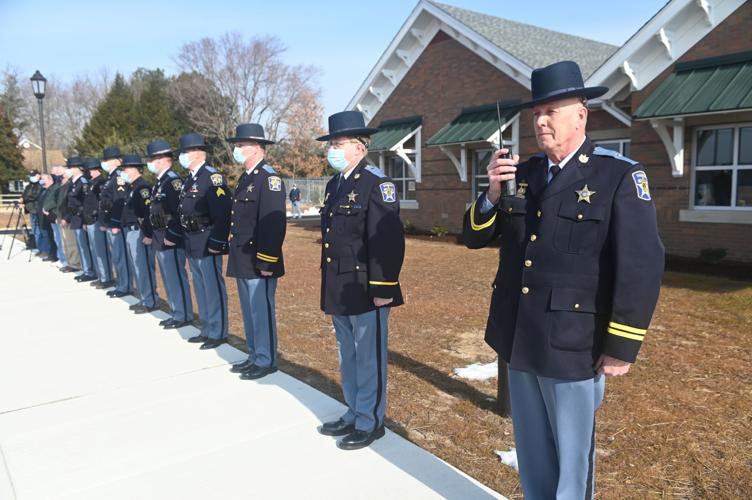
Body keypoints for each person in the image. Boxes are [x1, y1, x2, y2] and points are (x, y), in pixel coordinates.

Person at [462, 60, 665, 500]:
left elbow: (641, 266)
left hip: (573, 343)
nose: (540, 121)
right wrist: (493, 194)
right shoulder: (524, 174)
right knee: (533, 454)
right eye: (536, 113)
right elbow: (474, 237)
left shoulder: (618, 176)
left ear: (581, 115)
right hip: (519, 335)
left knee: (572, 464)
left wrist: (621, 345)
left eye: (552, 110)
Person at [315, 111, 405, 450]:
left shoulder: (376, 183)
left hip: (368, 287)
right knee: (347, 356)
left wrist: (383, 288)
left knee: (369, 357)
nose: (332, 150)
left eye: (337, 144)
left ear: (359, 146)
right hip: (339, 284)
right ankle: (354, 411)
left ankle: (371, 421)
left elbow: (388, 240)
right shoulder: (334, 183)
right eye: (331, 144)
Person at [225, 123, 286, 380]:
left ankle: (266, 359)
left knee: (261, 310)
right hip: (242, 256)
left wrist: (266, 260)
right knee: (250, 311)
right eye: (236, 145)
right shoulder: (246, 177)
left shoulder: (268, 179)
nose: (237, 150)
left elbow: (273, 224)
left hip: (259, 259)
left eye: (241, 145)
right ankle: (254, 355)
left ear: (258, 148)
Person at [176, 132, 231, 350]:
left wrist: (217, 241)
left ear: (198, 153)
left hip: (208, 240)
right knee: (200, 287)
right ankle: (207, 328)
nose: (183, 156)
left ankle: (218, 332)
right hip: (192, 241)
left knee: (213, 287)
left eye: (185, 152)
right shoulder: (190, 179)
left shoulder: (211, 177)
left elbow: (223, 212)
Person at [144, 139, 194, 329]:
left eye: (153, 159)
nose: (151, 163)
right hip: (160, 236)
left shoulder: (172, 182)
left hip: (170, 238)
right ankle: (177, 311)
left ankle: (183, 314)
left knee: (175, 278)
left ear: (163, 159)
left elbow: (178, 212)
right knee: (168, 278)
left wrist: (172, 235)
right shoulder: (160, 182)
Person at [119, 154, 159, 314]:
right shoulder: (132, 188)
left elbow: (148, 213)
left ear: (136, 170)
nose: (124, 172)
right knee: (137, 267)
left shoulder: (142, 188)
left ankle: (150, 300)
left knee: (143, 268)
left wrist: (148, 234)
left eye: (127, 168)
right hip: (131, 231)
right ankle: (144, 298)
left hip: (140, 231)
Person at [99, 146, 135, 299]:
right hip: (111, 222)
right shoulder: (111, 177)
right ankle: (122, 284)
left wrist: (115, 223)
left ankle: (125, 286)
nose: (104, 162)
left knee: (121, 256)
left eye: (107, 160)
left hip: (118, 224)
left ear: (115, 161)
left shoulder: (119, 177)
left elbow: (120, 202)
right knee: (117, 256)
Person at [82, 157, 114, 289]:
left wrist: (97, 215)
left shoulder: (101, 182)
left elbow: (102, 202)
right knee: (95, 249)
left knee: (101, 250)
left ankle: (106, 277)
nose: (89, 172)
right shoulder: (91, 182)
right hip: (89, 219)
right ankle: (101, 276)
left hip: (96, 219)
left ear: (95, 170)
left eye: (90, 169)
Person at [65, 156, 97, 282]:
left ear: (79, 168)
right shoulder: (74, 182)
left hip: (80, 217)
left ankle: (89, 271)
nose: (70, 169)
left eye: (72, 167)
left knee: (85, 246)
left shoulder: (82, 182)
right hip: (75, 217)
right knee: (81, 246)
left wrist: (84, 219)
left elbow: (85, 203)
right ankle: (86, 269)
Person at [43, 166, 68, 268]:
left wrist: (47, 208)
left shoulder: (59, 186)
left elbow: (55, 200)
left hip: (57, 214)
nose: (56, 174)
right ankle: (61, 257)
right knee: (57, 238)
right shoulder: (57, 185)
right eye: (55, 172)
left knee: (62, 239)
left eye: (58, 172)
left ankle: (65, 259)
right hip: (54, 215)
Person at [57, 169, 81, 272]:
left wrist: (66, 218)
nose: (61, 179)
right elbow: (61, 204)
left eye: (63, 177)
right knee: (65, 243)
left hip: (68, 219)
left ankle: (75, 264)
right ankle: (69, 262)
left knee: (71, 243)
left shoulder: (70, 187)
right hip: (62, 217)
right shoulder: (63, 187)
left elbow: (69, 205)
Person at [21, 169, 45, 256]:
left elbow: (35, 196)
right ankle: (39, 248)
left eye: (33, 175)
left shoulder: (41, 185)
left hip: (38, 209)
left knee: (41, 230)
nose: (32, 178)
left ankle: (44, 249)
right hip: (31, 210)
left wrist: (26, 198)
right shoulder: (29, 186)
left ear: (38, 176)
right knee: (35, 230)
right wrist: (23, 200)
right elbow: (25, 194)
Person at [36, 174, 57, 262]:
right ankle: (50, 253)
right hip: (43, 216)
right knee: (48, 236)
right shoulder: (44, 190)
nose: (42, 181)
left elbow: (53, 200)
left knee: (52, 236)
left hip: (50, 215)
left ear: (50, 180)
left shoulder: (53, 189)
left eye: (44, 179)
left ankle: (54, 255)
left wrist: (46, 208)